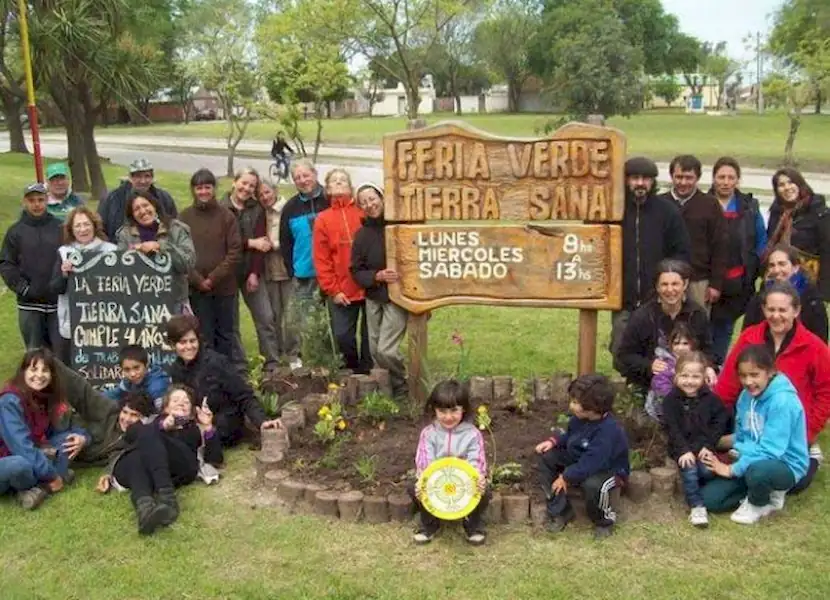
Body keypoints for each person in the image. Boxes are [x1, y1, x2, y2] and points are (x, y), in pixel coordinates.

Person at [715, 281, 830, 493]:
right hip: (753, 421)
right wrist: (712, 416)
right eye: (771, 309)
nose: (776, 315)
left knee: (794, 485)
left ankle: (810, 456)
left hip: (790, 425)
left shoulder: (815, 347)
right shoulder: (750, 337)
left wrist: (808, 432)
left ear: (796, 310)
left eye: (782, 310)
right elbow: (729, 382)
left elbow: (826, 393)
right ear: (763, 309)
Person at [702, 344, 809, 524]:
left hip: (783, 464)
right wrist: (713, 444)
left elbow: (770, 451)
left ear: (770, 372)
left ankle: (760, 503)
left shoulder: (783, 401)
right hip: (751, 460)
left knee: (758, 472)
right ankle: (759, 490)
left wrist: (731, 470)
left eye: (754, 375)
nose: (748, 381)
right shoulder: (745, 397)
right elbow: (744, 436)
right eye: (743, 376)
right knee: (709, 499)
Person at [95, 386, 223, 535]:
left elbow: (215, 460)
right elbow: (127, 442)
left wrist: (208, 427)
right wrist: (163, 425)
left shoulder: (195, 427)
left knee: (147, 435)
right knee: (138, 452)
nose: (181, 403)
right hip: (146, 470)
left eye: (186, 402)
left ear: (193, 410)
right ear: (166, 407)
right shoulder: (152, 424)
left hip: (182, 467)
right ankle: (145, 509)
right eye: (175, 400)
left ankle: (168, 500)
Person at [534, 374, 630, 540]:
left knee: (593, 485)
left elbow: (593, 462)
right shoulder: (579, 419)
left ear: (594, 407)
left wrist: (566, 476)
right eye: (573, 400)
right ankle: (561, 511)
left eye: (576, 403)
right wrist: (554, 441)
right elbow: (571, 436)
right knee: (547, 458)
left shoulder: (607, 431)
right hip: (582, 458)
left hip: (608, 469)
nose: (572, 406)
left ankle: (603, 521)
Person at [164, 314, 282, 447]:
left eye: (192, 341)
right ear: (173, 345)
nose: (189, 346)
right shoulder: (176, 370)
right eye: (183, 342)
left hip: (224, 425)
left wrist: (262, 421)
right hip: (195, 423)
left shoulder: (217, 363)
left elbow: (244, 395)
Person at [612, 157, 690, 356]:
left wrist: (669, 281)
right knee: (621, 347)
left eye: (646, 179)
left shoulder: (667, 211)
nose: (640, 183)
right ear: (626, 180)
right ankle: (630, 384)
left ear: (653, 182)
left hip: (658, 297)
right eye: (635, 178)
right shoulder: (614, 210)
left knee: (659, 348)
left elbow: (681, 252)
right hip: (623, 297)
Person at [0, 349, 89, 509]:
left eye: (45, 370)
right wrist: (53, 474)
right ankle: (52, 479)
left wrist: (81, 437)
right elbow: (21, 447)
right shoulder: (9, 401)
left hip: (32, 452)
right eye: (33, 369)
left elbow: (61, 430)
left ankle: (38, 489)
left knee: (68, 441)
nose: (39, 375)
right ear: (23, 371)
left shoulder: (43, 396)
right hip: (7, 458)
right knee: (20, 465)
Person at [614, 259, 714, 394]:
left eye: (675, 284)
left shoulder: (697, 314)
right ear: (657, 287)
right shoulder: (642, 316)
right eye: (664, 284)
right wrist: (648, 365)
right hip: (649, 384)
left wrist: (707, 366)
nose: (670, 290)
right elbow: (624, 355)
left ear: (685, 284)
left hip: (691, 382)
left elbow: (707, 350)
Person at [411, 380, 489, 545]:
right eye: (442, 411)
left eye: (454, 411)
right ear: (434, 410)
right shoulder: (428, 434)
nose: (448, 417)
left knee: (485, 492)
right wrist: (422, 481)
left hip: (463, 484)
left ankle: (472, 526)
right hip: (436, 483)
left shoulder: (473, 434)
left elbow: (476, 462)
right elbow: (426, 463)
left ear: (464, 410)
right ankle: (429, 525)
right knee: (414, 489)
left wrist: (479, 479)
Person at [708, 157, 767, 364]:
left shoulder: (749, 207)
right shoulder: (703, 203)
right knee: (702, 327)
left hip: (738, 282)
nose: (725, 182)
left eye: (730, 177)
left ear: (737, 180)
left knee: (724, 328)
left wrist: (756, 269)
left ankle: (717, 367)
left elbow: (760, 240)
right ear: (713, 179)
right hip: (707, 281)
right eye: (721, 177)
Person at [351, 182, 408, 397]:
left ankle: (401, 383)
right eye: (364, 202)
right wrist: (376, 276)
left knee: (386, 350)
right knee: (374, 351)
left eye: (372, 199)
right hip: (374, 296)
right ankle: (388, 392)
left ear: (382, 197)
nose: (369, 204)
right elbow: (356, 270)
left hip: (398, 297)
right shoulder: (361, 235)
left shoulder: (399, 227)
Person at [179, 169, 242, 360]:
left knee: (225, 335)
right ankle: (206, 377)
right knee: (203, 335)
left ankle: (226, 376)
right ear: (193, 190)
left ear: (214, 189)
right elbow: (180, 253)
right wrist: (198, 280)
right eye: (199, 188)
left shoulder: (226, 216)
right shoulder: (185, 217)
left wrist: (213, 278)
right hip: (197, 289)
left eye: (207, 187)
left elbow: (234, 251)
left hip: (224, 288)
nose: (203, 192)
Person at [313, 168, 371, 374]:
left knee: (370, 337)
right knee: (342, 336)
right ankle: (352, 371)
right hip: (342, 289)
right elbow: (322, 259)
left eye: (343, 180)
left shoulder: (363, 212)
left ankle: (368, 375)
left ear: (350, 186)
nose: (339, 183)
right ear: (327, 189)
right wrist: (333, 290)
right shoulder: (323, 219)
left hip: (368, 285)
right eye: (334, 181)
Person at [221, 168, 280, 372]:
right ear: (234, 182)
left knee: (265, 317)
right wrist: (250, 243)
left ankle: (272, 363)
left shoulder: (256, 209)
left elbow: (262, 242)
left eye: (252, 186)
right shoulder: (221, 208)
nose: (246, 188)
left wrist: (254, 272)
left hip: (250, 271)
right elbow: (224, 242)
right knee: (232, 322)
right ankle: (239, 366)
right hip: (227, 273)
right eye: (244, 183)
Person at [662, 351, 729, 528]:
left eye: (695, 376)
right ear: (676, 376)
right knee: (689, 469)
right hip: (681, 447)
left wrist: (708, 445)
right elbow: (672, 429)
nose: (689, 381)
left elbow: (719, 423)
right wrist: (684, 451)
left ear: (703, 378)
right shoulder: (670, 401)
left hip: (704, 445)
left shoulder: (712, 400)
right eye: (684, 375)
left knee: (707, 471)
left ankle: (708, 487)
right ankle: (697, 506)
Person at [657, 154, 728, 315]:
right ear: (672, 176)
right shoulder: (660, 203)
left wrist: (716, 283)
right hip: (665, 279)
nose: (683, 182)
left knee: (696, 325)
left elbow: (720, 245)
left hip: (698, 280)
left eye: (689, 178)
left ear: (697, 178)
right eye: (679, 177)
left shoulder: (710, 204)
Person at [0, 183, 64, 354]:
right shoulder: (15, 231)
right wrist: (23, 288)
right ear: (24, 202)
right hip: (29, 304)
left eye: (41, 200)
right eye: (32, 200)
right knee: (35, 354)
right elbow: (6, 263)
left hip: (57, 303)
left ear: (47, 200)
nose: (36, 204)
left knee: (59, 355)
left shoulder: (60, 227)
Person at [51, 207, 117, 363]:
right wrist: (64, 273)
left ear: (94, 226)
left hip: (104, 322)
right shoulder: (64, 252)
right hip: (74, 322)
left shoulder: (111, 251)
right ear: (71, 230)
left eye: (86, 224)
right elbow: (55, 288)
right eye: (78, 226)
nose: (83, 229)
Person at [115, 190, 197, 315]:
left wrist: (161, 246)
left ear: (154, 206)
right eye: (136, 209)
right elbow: (119, 270)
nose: (142, 211)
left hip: (175, 301)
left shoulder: (176, 229)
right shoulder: (125, 235)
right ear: (132, 214)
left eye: (146, 205)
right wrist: (135, 253)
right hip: (139, 304)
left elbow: (187, 263)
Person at [766, 167, 830, 300]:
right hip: (779, 278)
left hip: (808, 281)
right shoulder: (777, 213)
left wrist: (823, 292)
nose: (787, 187)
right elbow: (770, 245)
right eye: (781, 185)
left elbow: (827, 252)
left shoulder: (820, 213)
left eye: (790, 182)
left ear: (800, 184)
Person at [743, 244, 828, 343]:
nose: (776, 270)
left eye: (782, 264)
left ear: (795, 267)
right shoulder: (760, 298)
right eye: (772, 265)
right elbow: (746, 337)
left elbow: (820, 342)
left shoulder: (812, 300)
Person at [259, 180, 301, 370]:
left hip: (287, 269)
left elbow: (292, 236)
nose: (265, 197)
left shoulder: (286, 209)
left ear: (275, 190)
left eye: (267, 192)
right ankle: (276, 356)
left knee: (291, 316)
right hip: (268, 271)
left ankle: (294, 355)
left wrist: (275, 244)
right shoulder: (260, 213)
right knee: (272, 316)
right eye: (260, 195)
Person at [279, 159, 330, 302]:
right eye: (297, 178)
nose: (303, 180)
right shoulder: (290, 208)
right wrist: (292, 272)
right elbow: (285, 243)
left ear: (315, 174)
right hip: (304, 276)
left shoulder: (329, 199)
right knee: (308, 323)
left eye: (306, 175)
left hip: (332, 273)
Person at [98, 158, 179, 241]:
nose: (143, 181)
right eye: (138, 176)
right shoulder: (112, 198)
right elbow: (100, 227)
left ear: (152, 178)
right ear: (130, 177)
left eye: (147, 176)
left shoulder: (164, 198)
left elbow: (174, 224)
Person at [645, 322, 697, 423]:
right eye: (676, 343)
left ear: (692, 344)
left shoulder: (696, 362)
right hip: (666, 405)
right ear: (670, 345)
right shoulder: (665, 364)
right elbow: (661, 386)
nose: (680, 348)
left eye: (685, 343)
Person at [104, 345, 171, 412]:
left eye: (136, 368)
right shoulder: (128, 381)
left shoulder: (157, 388)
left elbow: (159, 415)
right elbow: (115, 394)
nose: (132, 374)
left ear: (146, 365)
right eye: (127, 370)